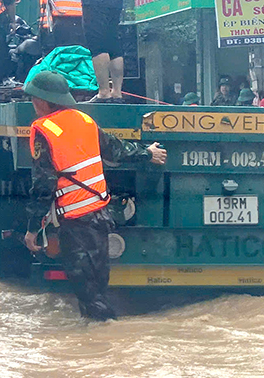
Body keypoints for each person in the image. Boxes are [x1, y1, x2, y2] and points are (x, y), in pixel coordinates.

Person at [22, 71, 167, 320]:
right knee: (98, 286)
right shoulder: (85, 120)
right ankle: (100, 337)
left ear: (45, 101)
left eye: (34, 99)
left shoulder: (43, 130)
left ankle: (106, 339)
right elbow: (116, 149)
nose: (33, 104)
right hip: (100, 216)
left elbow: (44, 184)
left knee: (89, 295)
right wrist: (147, 152)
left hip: (76, 222)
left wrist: (32, 228)